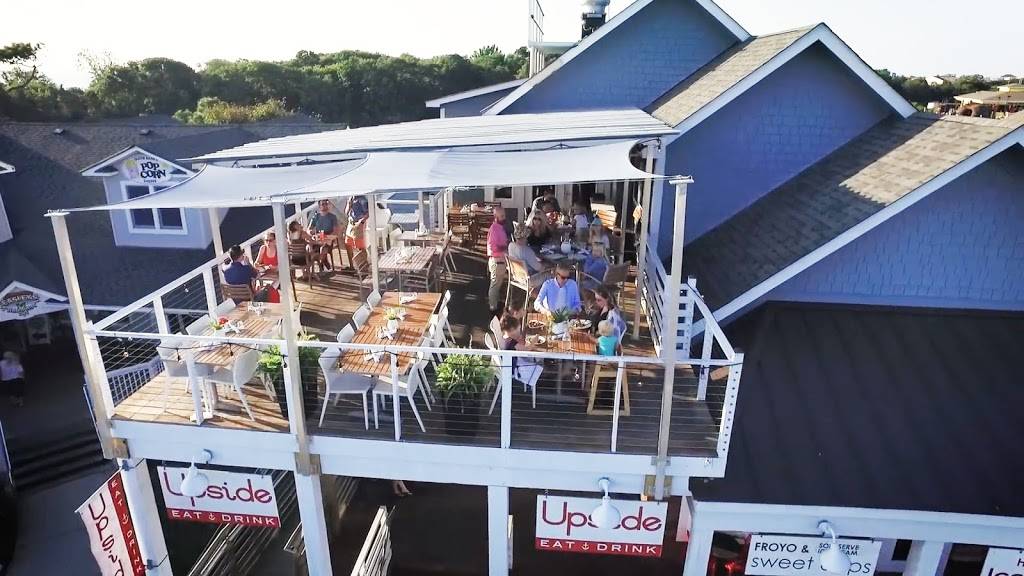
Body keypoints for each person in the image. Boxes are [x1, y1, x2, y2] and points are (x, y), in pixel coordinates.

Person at [500, 315, 543, 395]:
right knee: (539, 363)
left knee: (537, 358)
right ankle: (535, 382)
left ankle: (535, 379)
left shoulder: (506, 337)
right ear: (512, 330)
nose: (519, 332)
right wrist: (535, 339)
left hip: (511, 361)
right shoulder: (512, 342)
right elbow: (528, 349)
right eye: (518, 329)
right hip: (513, 367)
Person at [486, 206, 510, 316]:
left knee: (497, 284)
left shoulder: (499, 227)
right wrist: (506, 247)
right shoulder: (494, 229)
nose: (504, 218)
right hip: (497, 261)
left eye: (504, 215)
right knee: (495, 285)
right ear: (495, 217)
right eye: (502, 216)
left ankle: (495, 304)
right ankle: (493, 308)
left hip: (499, 260)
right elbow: (493, 248)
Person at [308, 199, 340, 271]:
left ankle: (321, 266)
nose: (325, 206)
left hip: (328, 238)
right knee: (309, 247)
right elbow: (309, 229)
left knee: (323, 249)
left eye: (326, 204)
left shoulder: (332, 217)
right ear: (319, 206)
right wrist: (312, 233)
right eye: (323, 204)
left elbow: (335, 231)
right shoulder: (316, 216)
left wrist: (326, 237)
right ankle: (322, 263)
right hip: (318, 239)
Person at [344, 195, 370, 270]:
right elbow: (346, 212)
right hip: (351, 223)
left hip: (359, 224)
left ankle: (364, 267)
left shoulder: (363, 200)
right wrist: (349, 204)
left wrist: (362, 221)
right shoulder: (351, 198)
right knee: (347, 243)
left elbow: (369, 212)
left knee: (360, 246)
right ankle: (351, 266)